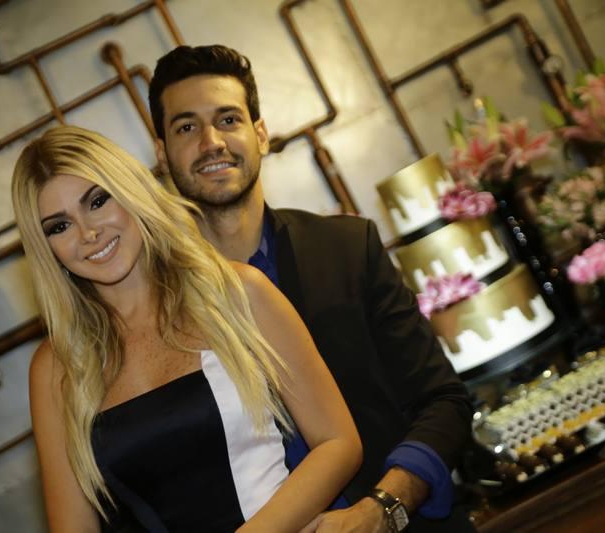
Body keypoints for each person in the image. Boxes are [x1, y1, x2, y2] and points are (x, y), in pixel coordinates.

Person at [149, 45, 475, 532]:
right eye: (186, 128)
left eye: (228, 120)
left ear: (260, 134)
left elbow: (443, 402)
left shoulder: (346, 248)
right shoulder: (158, 314)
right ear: (162, 154)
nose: (211, 142)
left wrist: (381, 510)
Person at [11, 125, 362, 532]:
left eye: (97, 201)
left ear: (130, 191)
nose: (88, 233)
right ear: (47, 249)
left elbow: (338, 443)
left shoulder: (237, 293)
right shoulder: (56, 368)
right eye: (59, 226)